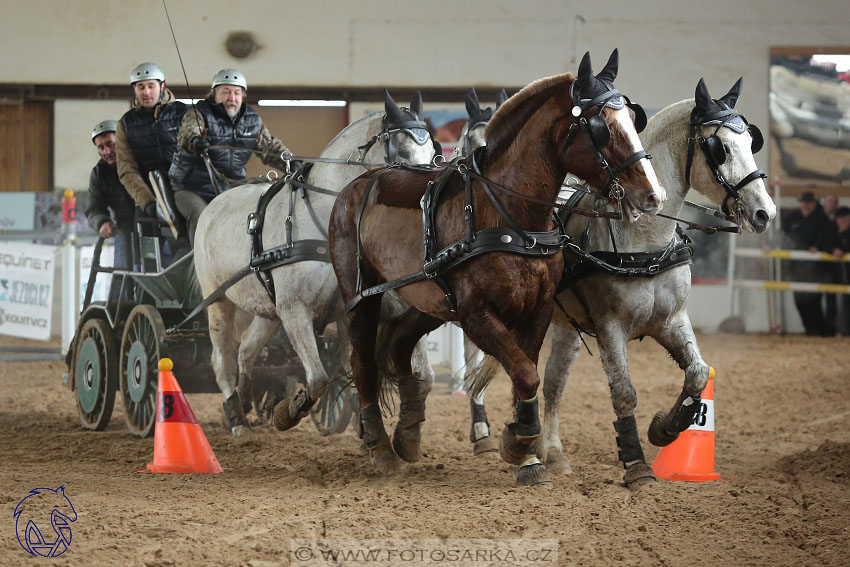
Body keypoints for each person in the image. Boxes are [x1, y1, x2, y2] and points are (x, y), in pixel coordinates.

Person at [168, 68, 290, 245]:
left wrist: (291, 163)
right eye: (225, 92)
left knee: (252, 214)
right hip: (190, 188)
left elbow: (270, 147)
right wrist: (195, 141)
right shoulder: (198, 113)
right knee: (202, 216)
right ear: (213, 94)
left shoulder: (252, 120)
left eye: (236, 93)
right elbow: (188, 133)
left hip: (230, 187)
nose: (231, 98)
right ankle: (198, 267)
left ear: (243, 96)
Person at [115, 62, 187, 222]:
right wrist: (147, 203)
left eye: (151, 86)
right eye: (140, 87)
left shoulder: (184, 113)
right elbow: (127, 169)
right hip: (149, 199)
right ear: (134, 89)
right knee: (148, 246)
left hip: (184, 193)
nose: (146, 92)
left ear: (162, 86)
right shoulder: (125, 124)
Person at [85, 120, 136, 271]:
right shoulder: (99, 174)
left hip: (154, 227)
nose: (106, 152)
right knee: (121, 279)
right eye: (100, 147)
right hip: (124, 230)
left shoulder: (140, 161)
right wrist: (102, 222)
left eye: (110, 144)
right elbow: (94, 208)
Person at [782, 192, 834, 335]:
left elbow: (828, 239)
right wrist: (769, 244)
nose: (805, 205)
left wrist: (818, 246)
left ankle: (818, 331)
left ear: (814, 204)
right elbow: (782, 235)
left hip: (816, 269)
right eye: (804, 202)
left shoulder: (822, 220)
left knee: (813, 301)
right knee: (800, 301)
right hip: (796, 267)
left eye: (809, 202)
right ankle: (810, 331)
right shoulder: (793, 218)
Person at [830, 206, 850, 335]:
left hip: (845, 273)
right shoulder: (833, 230)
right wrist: (834, 249)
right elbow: (826, 243)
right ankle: (844, 330)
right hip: (841, 274)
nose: (842, 221)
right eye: (840, 218)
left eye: (845, 218)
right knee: (844, 303)